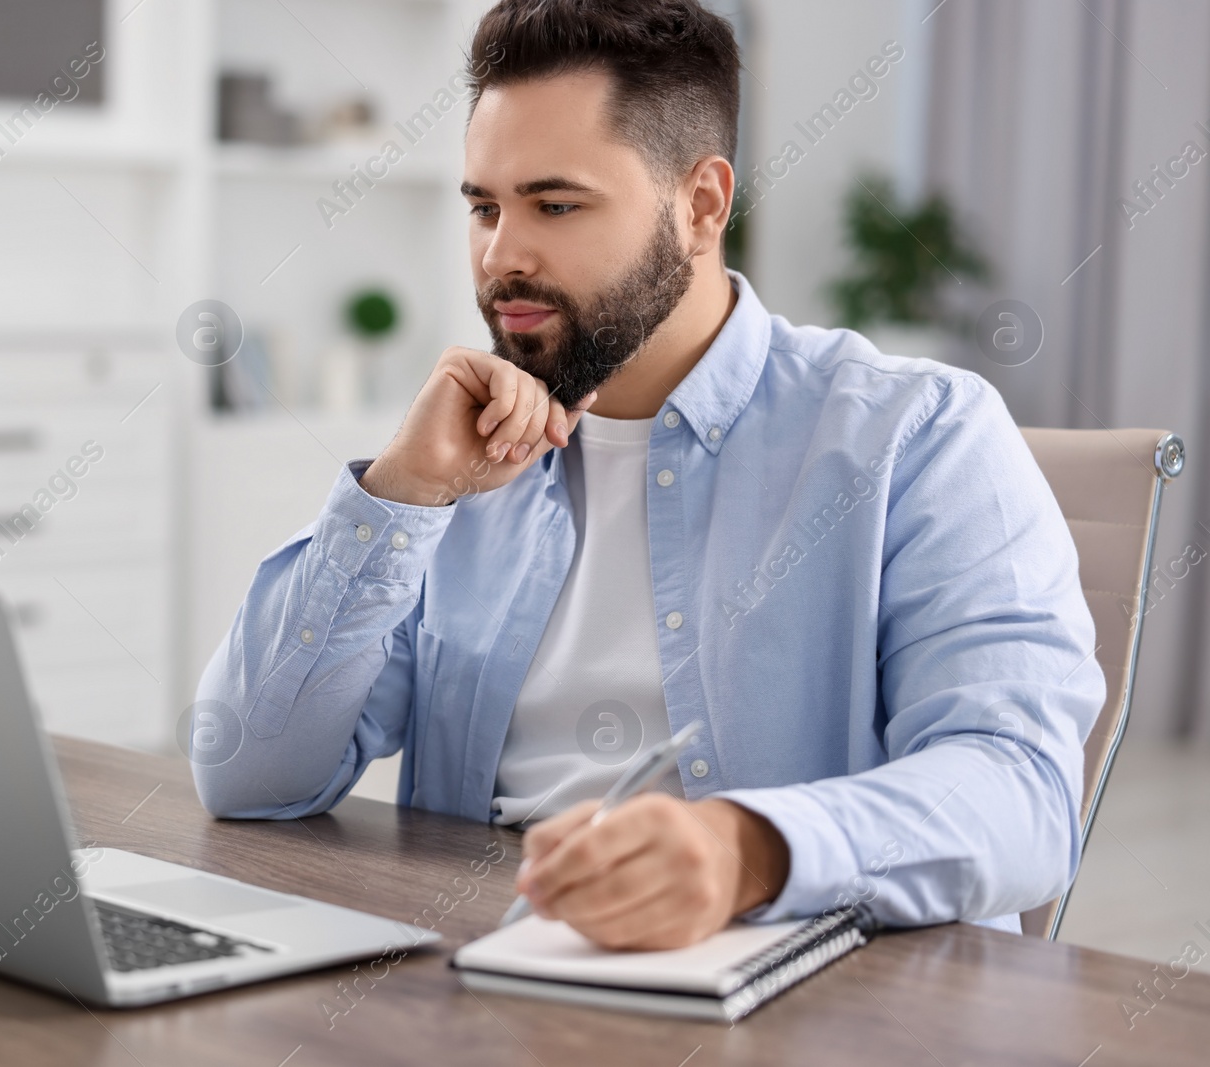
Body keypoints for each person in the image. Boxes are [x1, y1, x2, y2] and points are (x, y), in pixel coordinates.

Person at [192, 0, 1103, 950]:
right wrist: (398, 496)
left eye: (556, 204)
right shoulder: (461, 460)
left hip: (803, 991)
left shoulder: (919, 434)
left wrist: (748, 851)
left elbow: (1022, 796)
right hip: (479, 975)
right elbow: (249, 775)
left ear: (702, 205)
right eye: (483, 207)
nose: (501, 255)